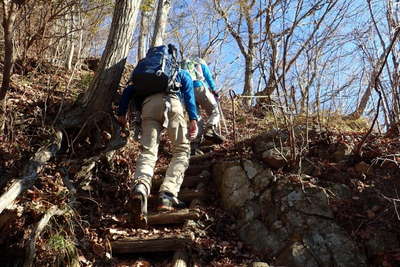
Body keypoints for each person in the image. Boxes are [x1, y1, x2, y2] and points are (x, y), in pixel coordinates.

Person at [116, 68, 198, 213]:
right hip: (173, 103)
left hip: (149, 106)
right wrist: (193, 118)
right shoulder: (178, 70)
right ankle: (167, 194)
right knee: (181, 150)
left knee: (148, 151)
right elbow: (189, 94)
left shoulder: (147, 72)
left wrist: (121, 112)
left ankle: (141, 187)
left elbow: (129, 90)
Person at [181, 57, 224, 149]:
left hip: (187, 93)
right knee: (214, 111)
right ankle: (210, 128)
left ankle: (195, 144)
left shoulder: (182, 65)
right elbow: (208, 76)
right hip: (199, 87)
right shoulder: (200, 62)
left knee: (196, 118)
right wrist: (213, 89)